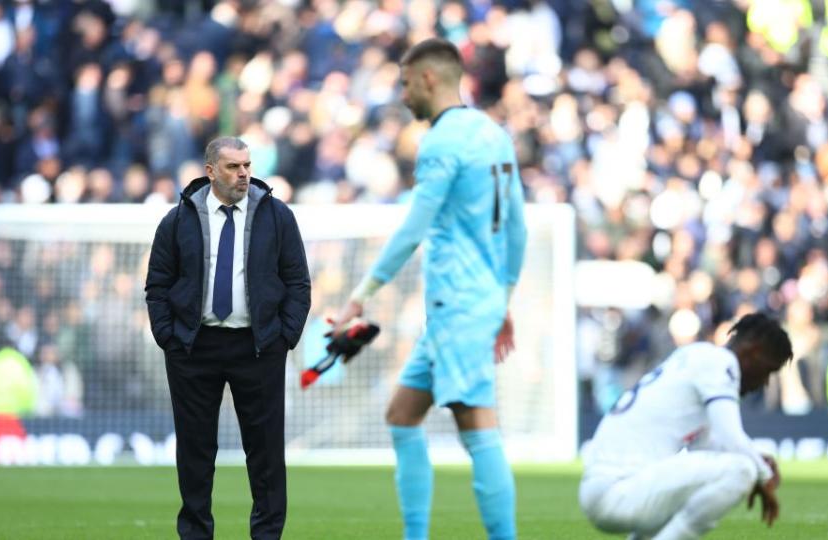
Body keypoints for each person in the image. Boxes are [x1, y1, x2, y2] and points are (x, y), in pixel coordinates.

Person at [331, 38, 527, 540]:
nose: (401, 94)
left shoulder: (443, 142)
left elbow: (413, 227)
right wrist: (502, 301)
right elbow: (517, 228)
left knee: (476, 422)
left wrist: (360, 295)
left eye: (404, 82)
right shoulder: (494, 134)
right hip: (469, 302)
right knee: (402, 414)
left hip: (459, 303)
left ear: (429, 79)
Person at [145, 136, 311, 540]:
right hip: (194, 348)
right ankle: (196, 534)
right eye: (234, 167)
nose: (243, 175)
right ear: (210, 171)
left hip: (257, 348)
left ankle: (267, 536)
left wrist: (283, 337)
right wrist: (170, 337)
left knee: (266, 453)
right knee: (196, 452)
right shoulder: (178, 219)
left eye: (247, 166)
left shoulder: (277, 216)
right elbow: (158, 286)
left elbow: (298, 283)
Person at [579, 312, 794, 540]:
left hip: (608, 488)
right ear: (754, 352)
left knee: (736, 468)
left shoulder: (695, 355)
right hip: (620, 490)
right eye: (768, 371)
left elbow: (706, 447)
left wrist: (756, 457)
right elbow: (731, 438)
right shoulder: (721, 363)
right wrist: (761, 473)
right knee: (743, 470)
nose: (764, 383)